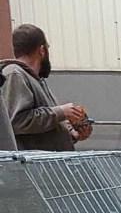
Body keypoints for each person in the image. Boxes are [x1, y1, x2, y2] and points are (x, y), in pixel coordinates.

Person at [0, 23, 91, 151]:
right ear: (42, 50)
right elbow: (17, 121)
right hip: (32, 163)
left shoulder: (36, 80)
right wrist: (61, 112)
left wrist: (72, 134)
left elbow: (41, 132)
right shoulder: (14, 74)